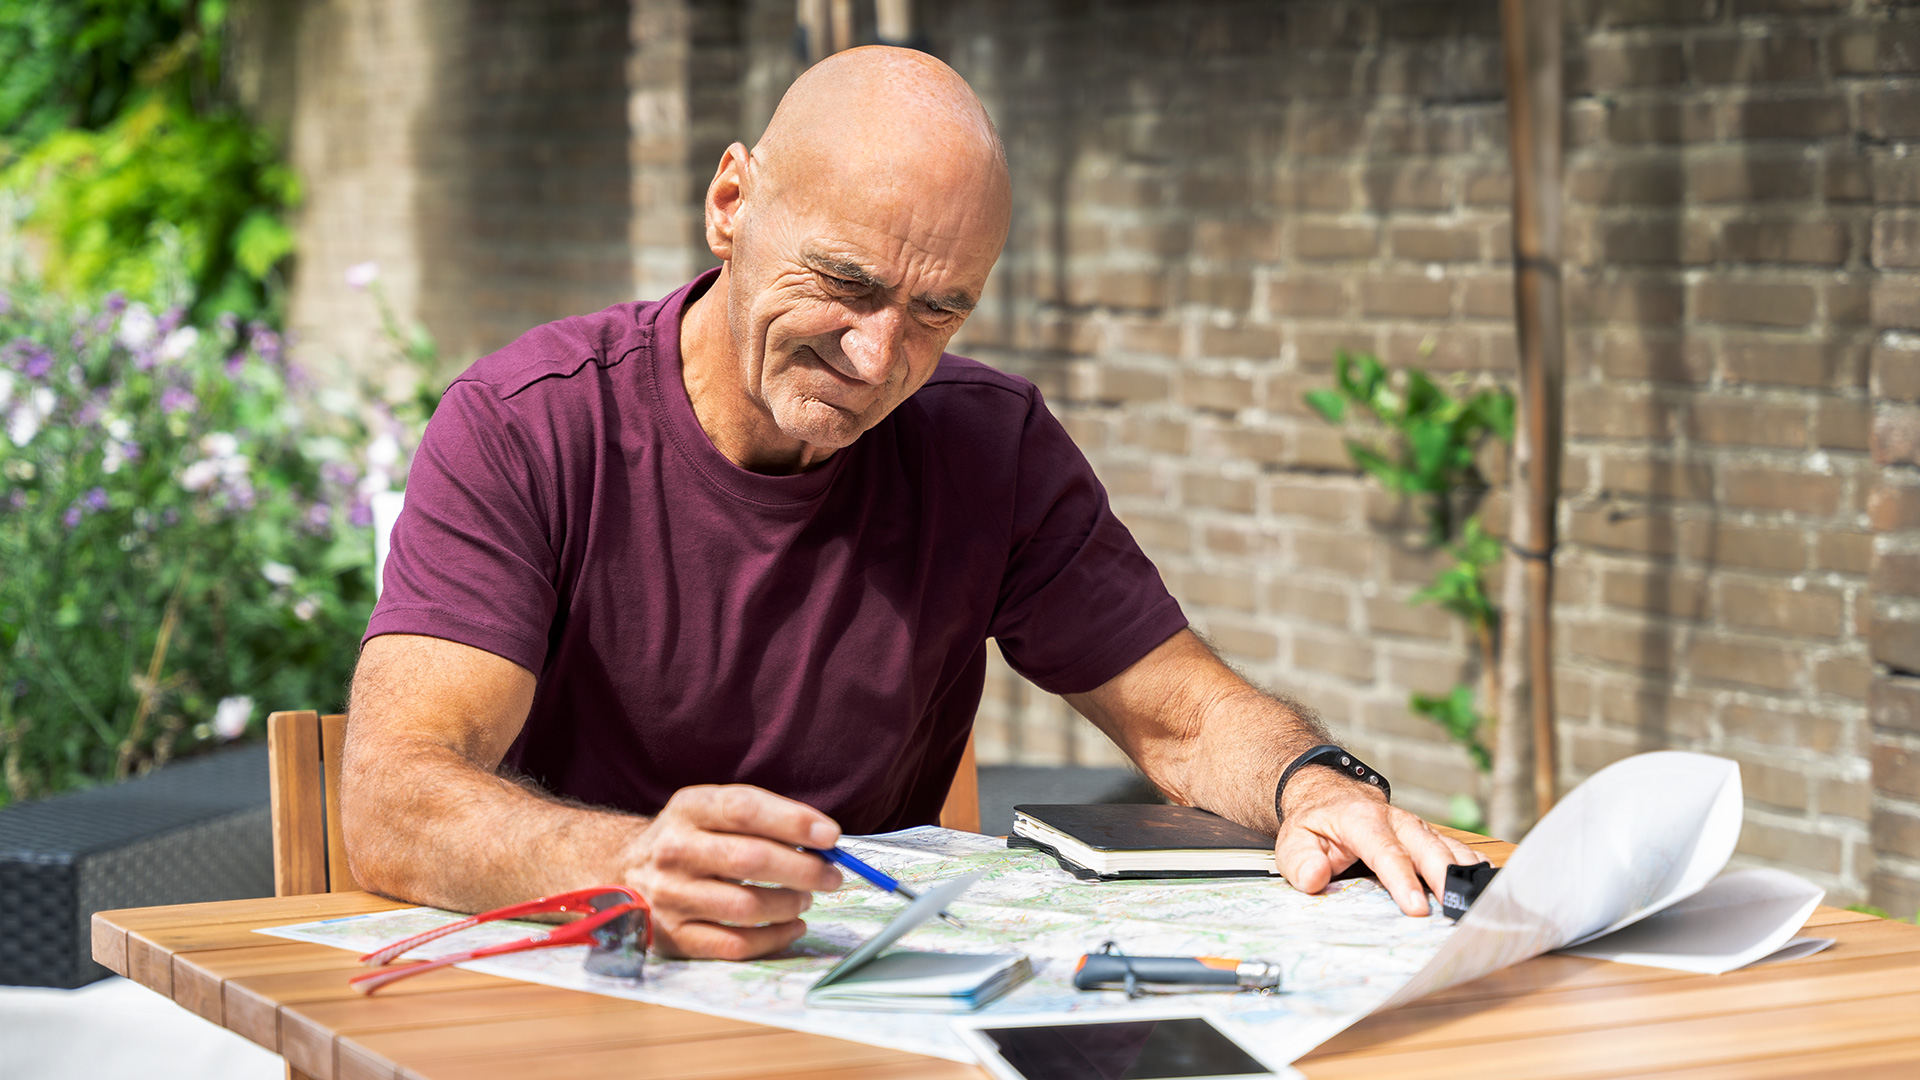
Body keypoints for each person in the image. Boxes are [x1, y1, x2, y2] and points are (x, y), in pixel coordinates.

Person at [341, 46, 1479, 960]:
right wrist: (638, 864)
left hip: (858, 999)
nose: (879, 355)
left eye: (939, 310)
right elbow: (394, 799)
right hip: (565, 986)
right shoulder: (529, 425)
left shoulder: (989, 446)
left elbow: (1182, 714)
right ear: (730, 202)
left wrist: (1311, 784)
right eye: (846, 283)